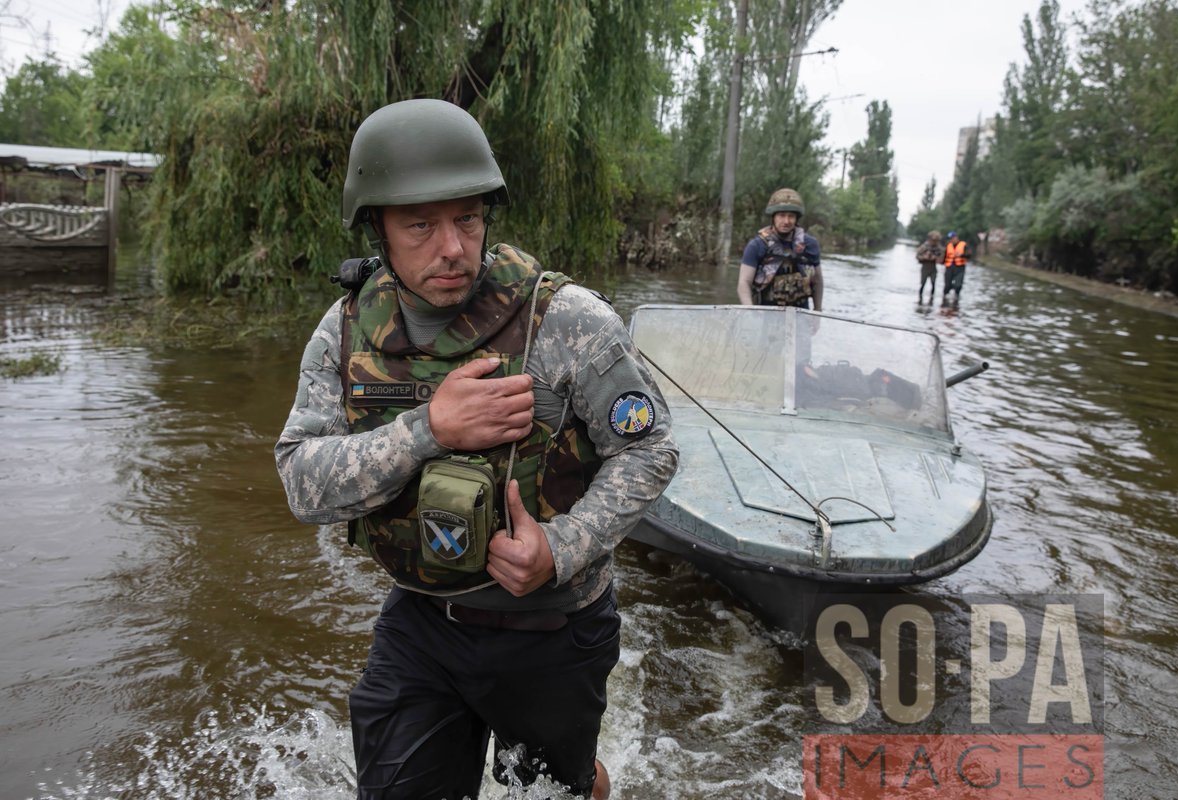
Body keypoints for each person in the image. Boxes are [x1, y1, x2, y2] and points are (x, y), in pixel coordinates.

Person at [274, 98, 679, 800]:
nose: (452, 247)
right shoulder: (344, 331)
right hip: (422, 623)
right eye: (420, 224)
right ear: (378, 227)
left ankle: (587, 780)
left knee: (553, 792)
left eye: (466, 217)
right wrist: (428, 429)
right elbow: (301, 483)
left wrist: (563, 546)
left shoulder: (569, 321)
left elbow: (650, 451)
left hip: (553, 629)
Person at [736, 188, 823, 310]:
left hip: (801, 315)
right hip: (765, 314)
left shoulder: (810, 244)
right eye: (782, 216)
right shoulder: (757, 245)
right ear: (774, 217)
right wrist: (750, 311)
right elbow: (744, 282)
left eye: (791, 216)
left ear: (796, 219)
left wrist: (817, 311)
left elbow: (817, 281)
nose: (786, 221)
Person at [915, 230, 942, 302]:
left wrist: (936, 258)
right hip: (925, 266)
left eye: (936, 240)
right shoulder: (924, 246)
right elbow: (917, 256)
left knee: (933, 283)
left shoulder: (938, 248)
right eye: (933, 240)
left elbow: (941, 258)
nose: (934, 242)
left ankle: (932, 298)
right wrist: (924, 257)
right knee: (923, 283)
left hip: (933, 267)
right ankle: (920, 298)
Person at [943, 230, 969, 301]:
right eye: (950, 238)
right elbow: (944, 257)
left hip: (960, 268)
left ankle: (956, 298)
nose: (951, 240)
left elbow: (969, 255)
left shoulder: (963, 245)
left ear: (956, 238)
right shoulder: (948, 246)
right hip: (949, 267)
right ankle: (945, 299)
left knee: (958, 285)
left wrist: (962, 255)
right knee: (947, 286)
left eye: (953, 238)